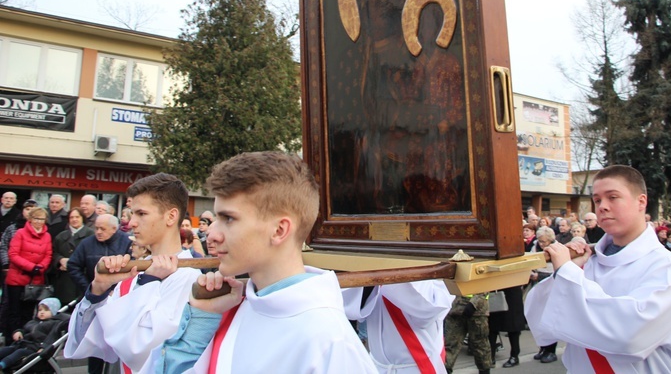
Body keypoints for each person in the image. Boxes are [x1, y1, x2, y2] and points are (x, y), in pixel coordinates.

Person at [162, 151, 376, 373]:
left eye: (229, 219)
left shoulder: (329, 341)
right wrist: (201, 320)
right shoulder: (230, 309)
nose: (212, 235)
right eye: (217, 218)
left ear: (279, 230)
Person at [525, 165, 671, 372]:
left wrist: (568, 274)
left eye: (613, 197)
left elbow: (630, 336)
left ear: (641, 201)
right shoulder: (587, 262)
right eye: (597, 200)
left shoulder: (667, 267)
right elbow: (541, 320)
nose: (602, 207)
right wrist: (567, 271)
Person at [64, 174, 202, 374]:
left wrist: (148, 283)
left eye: (141, 214)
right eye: (131, 213)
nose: (131, 223)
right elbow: (90, 340)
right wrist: (98, 292)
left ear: (171, 216)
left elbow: (142, 351)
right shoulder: (135, 271)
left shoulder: (188, 276)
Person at [66, 214, 133, 374]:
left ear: (114, 228)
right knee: (96, 341)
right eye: (96, 228)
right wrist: (91, 288)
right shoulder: (87, 243)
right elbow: (73, 265)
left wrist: (116, 289)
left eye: (103, 229)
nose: (98, 232)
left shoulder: (126, 242)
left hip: (119, 301)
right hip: (96, 299)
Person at [343, 281, 453, 373]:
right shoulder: (373, 259)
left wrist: (386, 271)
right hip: (377, 366)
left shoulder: (435, 268)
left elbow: (428, 313)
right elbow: (350, 307)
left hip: (416, 367)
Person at [5, 207, 53, 339]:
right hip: (17, 278)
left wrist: (41, 267)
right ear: (30, 219)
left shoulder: (47, 235)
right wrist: (31, 267)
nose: (38, 222)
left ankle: (26, 340)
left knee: (28, 312)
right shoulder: (20, 233)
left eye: (41, 219)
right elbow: (13, 254)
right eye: (36, 218)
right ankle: (11, 340)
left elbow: (48, 254)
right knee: (14, 311)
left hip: (36, 279)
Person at [0, 297, 66, 371]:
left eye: (46, 310)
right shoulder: (33, 322)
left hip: (35, 349)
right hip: (23, 344)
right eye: (40, 310)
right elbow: (24, 329)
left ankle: (2, 365)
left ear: (54, 312)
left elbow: (52, 337)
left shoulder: (54, 324)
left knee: (19, 352)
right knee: (7, 349)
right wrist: (19, 332)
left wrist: (44, 348)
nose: (42, 312)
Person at [51, 207, 94, 306]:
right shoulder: (61, 236)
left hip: (82, 278)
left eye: (77, 217)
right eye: (71, 217)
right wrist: (60, 260)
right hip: (63, 279)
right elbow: (54, 252)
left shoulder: (90, 234)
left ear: (82, 218)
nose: (74, 219)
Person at [527, 226, 557, 364]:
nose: (541, 243)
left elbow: (558, 268)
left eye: (544, 241)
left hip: (551, 285)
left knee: (548, 319)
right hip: (537, 284)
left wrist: (540, 274)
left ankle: (551, 350)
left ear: (550, 240)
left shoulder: (557, 249)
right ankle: (543, 348)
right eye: (540, 241)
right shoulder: (534, 247)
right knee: (537, 317)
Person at [444, 292, 492, 374]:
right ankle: (445, 369)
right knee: (450, 344)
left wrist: (474, 304)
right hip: (456, 309)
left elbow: (486, 284)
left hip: (476, 312)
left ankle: (484, 370)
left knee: (480, 346)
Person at [488, 286, 525, 368]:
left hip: (512, 291)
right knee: (492, 325)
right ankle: (490, 357)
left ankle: (514, 356)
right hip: (496, 289)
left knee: (512, 324)